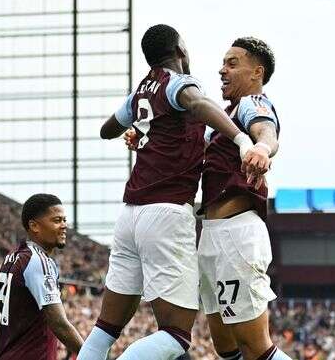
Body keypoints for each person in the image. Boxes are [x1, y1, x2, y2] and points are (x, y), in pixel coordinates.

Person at [77, 24, 270, 360]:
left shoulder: (141, 92)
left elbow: (107, 130)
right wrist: (241, 140)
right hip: (165, 214)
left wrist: (145, 128)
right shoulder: (179, 83)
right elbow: (197, 104)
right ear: (180, 50)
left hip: (129, 217)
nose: (222, 69)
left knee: (105, 328)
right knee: (175, 336)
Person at [198, 37, 290, 360]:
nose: (222, 70)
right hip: (210, 238)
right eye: (223, 63)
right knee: (226, 349)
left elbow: (267, 131)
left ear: (257, 72)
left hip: (236, 235)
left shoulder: (253, 102)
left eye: (232, 63)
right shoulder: (224, 117)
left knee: (256, 348)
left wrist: (262, 149)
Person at [0, 194, 83, 360]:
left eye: (64, 220)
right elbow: (59, 323)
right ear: (34, 226)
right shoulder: (38, 261)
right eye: (57, 220)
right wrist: (94, 355)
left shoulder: (13, 257)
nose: (64, 225)